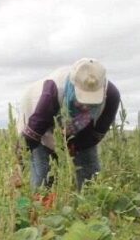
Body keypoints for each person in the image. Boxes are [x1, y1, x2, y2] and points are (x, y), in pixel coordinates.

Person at [19, 58, 120, 189]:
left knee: (90, 175)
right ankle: (42, 206)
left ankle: (88, 204)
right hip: (41, 128)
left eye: (91, 101)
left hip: (82, 129)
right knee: (44, 177)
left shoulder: (111, 96)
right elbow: (31, 137)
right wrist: (18, 165)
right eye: (82, 99)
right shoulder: (52, 92)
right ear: (72, 86)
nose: (85, 106)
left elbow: (96, 135)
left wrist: (75, 146)